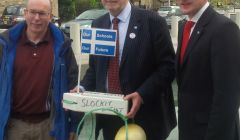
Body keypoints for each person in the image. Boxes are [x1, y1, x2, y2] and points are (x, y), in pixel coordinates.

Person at [80, 0, 177, 139]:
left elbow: (168, 67)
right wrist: (82, 87)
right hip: (109, 116)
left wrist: (142, 94)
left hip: (146, 117)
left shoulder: (153, 21)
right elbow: (95, 69)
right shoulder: (98, 24)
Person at [0, 0, 79, 140]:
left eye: (42, 13)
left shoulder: (62, 46)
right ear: (25, 13)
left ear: (50, 16)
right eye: (33, 12)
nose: (36, 18)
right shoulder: (6, 45)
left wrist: (73, 125)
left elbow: (72, 86)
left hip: (49, 126)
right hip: (14, 127)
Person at [176, 0, 240, 139]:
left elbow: (228, 98)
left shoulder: (224, 28)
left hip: (212, 132)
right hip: (189, 129)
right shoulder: (184, 26)